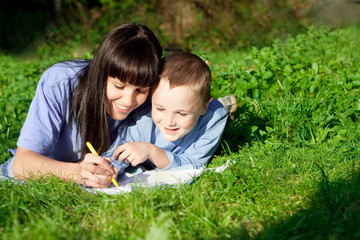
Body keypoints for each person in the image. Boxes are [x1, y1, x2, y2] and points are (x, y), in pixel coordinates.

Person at [0, 23, 163, 188]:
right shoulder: (60, 83)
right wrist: (76, 172)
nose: (128, 101)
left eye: (140, 90)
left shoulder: (152, 98)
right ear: (100, 74)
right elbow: (22, 164)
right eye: (119, 86)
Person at [104, 51, 228, 175]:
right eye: (160, 109)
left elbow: (192, 165)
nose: (169, 121)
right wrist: (109, 170)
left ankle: (228, 105)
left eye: (182, 113)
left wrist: (152, 152)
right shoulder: (145, 115)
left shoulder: (214, 118)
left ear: (203, 107)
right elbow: (120, 150)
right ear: (151, 97)